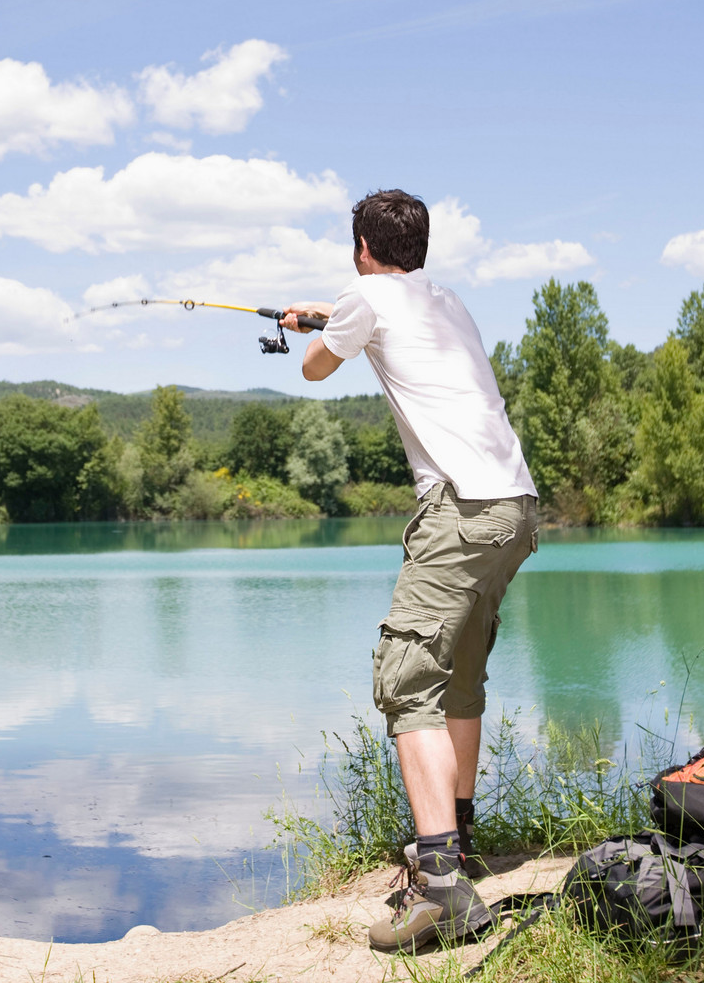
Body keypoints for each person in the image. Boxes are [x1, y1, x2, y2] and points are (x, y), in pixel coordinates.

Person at [284, 188, 538, 954]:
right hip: (516, 507)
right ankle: (457, 841)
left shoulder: (363, 295)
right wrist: (330, 309)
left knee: (405, 680)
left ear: (362, 245)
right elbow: (378, 319)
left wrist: (320, 320)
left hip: (459, 512)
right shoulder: (447, 301)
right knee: (458, 675)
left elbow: (313, 370)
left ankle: (439, 887)